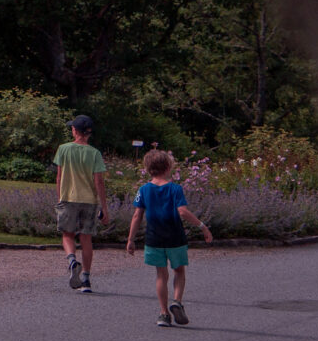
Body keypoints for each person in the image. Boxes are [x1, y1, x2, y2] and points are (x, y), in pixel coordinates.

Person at [125, 149, 214, 326]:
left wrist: (130, 239)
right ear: (168, 167)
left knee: (160, 275)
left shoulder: (143, 190)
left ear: (148, 169)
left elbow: (137, 215)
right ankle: (177, 301)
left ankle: (163, 313)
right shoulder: (175, 189)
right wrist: (203, 227)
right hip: (175, 236)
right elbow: (182, 211)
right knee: (179, 271)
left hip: (154, 237)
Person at [52, 115, 111, 292]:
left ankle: (71, 260)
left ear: (74, 131)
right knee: (86, 238)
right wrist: (104, 208)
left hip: (68, 198)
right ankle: (86, 278)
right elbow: (99, 182)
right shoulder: (94, 153)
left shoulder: (63, 149)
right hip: (89, 200)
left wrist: (59, 197)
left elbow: (59, 176)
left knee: (67, 234)